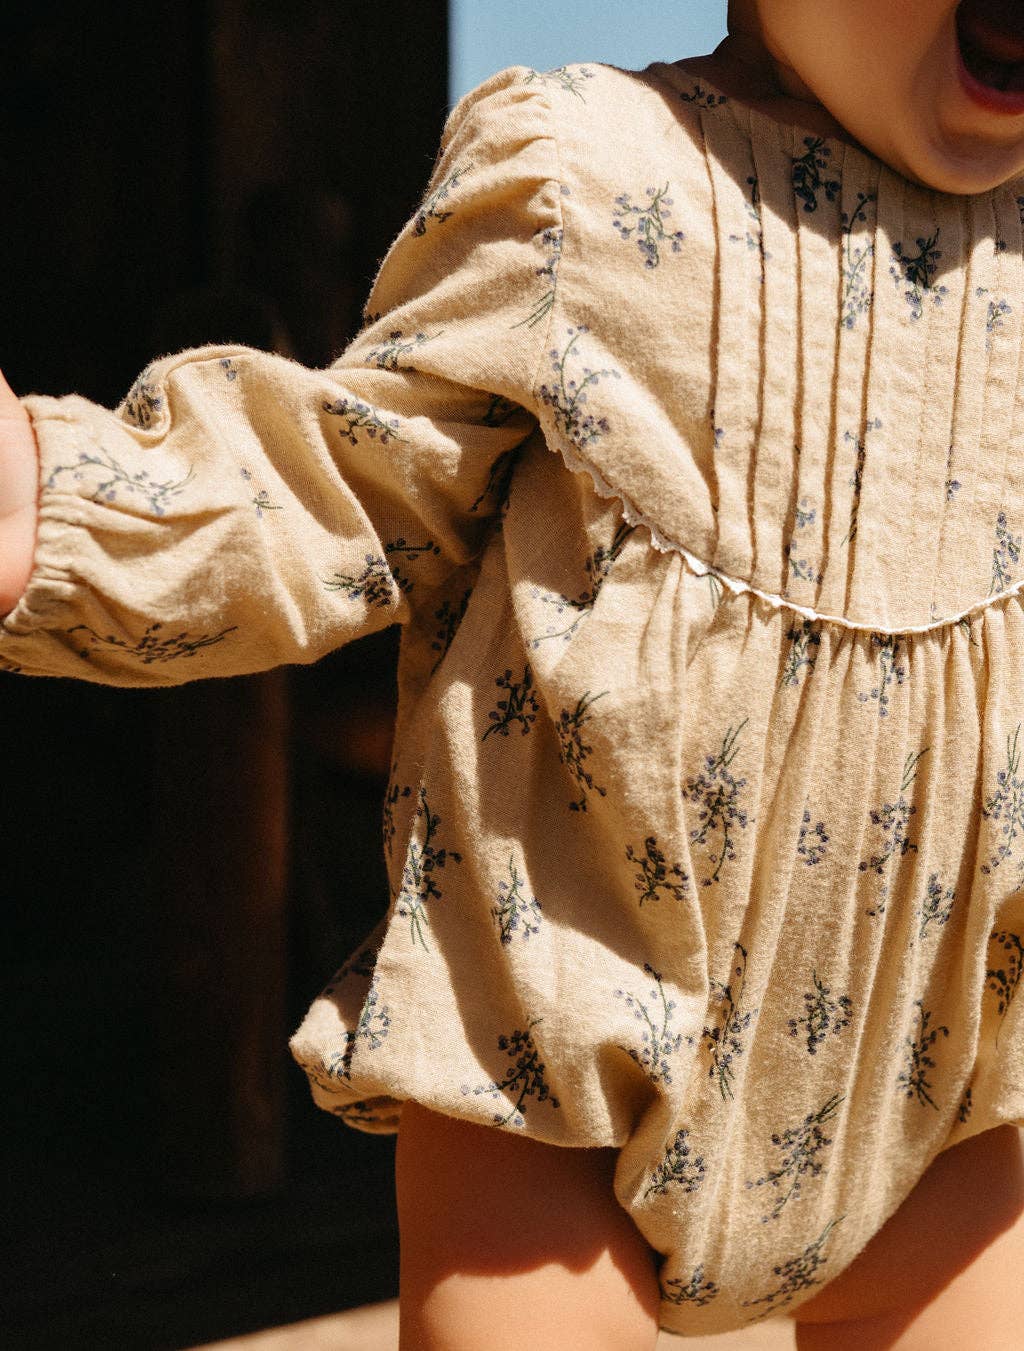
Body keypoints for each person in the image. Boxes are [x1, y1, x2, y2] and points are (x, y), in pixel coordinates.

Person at [2, 0, 1024, 1345]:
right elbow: (343, 484)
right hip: (556, 1084)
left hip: (942, 1095)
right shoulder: (584, 178)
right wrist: (52, 508)